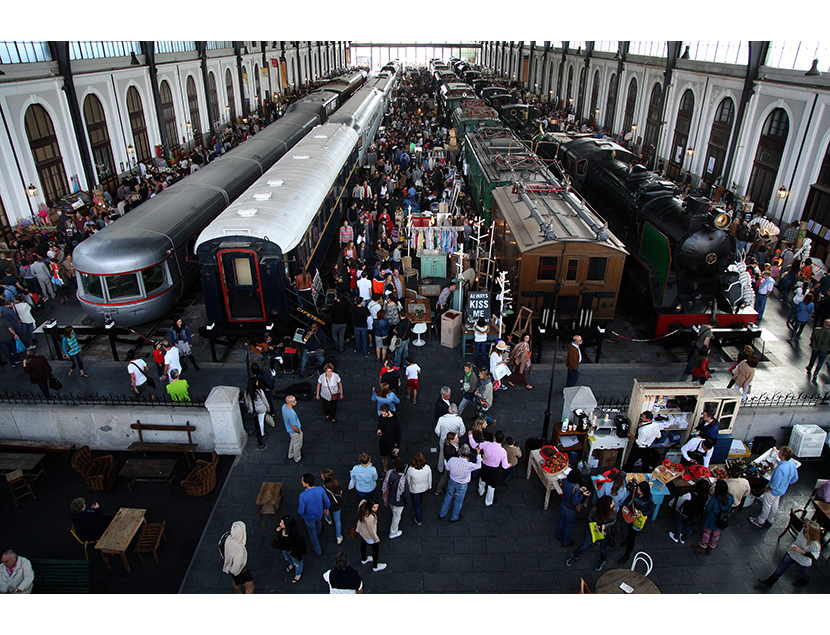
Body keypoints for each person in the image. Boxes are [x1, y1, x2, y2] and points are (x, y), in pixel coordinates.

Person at [759, 520, 822, 588]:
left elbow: (814, 556)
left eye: (806, 526)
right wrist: (793, 547)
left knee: (801, 570)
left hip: (803, 559)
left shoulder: (815, 544)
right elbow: (797, 541)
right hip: (793, 553)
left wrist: (801, 551)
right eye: (804, 524)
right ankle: (771, 581)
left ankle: (805, 579)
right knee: (783, 566)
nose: (803, 526)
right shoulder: (802, 531)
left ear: (811, 531)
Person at [565, 494, 617, 572]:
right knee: (585, 545)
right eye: (611, 503)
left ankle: (602, 561)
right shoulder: (595, 509)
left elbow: (613, 521)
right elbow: (590, 518)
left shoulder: (613, 511)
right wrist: (595, 525)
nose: (614, 504)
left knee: (603, 549)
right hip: (594, 529)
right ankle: (574, 556)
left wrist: (605, 526)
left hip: (604, 532)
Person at [750, 445, 799, 528]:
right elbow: (795, 478)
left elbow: (775, 483)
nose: (778, 453)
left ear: (783, 456)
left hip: (773, 490)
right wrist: (786, 482)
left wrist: (767, 489)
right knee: (775, 504)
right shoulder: (792, 464)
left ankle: (760, 521)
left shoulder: (780, 468)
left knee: (767, 505)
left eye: (780, 452)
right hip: (782, 489)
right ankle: (770, 519)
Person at [438, 444, 482, 522]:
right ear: (468, 453)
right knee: (458, 502)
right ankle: (454, 517)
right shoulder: (469, 465)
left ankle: (442, 513)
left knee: (448, 497)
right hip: (462, 484)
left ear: (460, 452)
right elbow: (478, 466)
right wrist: (478, 454)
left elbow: (447, 467)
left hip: (452, 481)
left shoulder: (452, 460)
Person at [469, 430, 511, 507]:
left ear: (495, 438)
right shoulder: (503, 452)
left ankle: (481, 492)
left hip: (484, 466)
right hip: (494, 470)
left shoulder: (486, 444)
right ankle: (488, 501)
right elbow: (505, 466)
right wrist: (510, 465)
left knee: (482, 480)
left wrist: (470, 436)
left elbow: (474, 445)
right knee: (491, 486)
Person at [692, 479, 734, 555]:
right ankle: (711, 547)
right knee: (716, 534)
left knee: (706, 533)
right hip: (723, 518)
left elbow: (708, 508)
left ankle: (703, 547)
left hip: (712, 519)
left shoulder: (715, 499)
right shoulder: (730, 497)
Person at [618, 480, 655, 564]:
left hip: (639, 518)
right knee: (629, 527)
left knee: (632, 536)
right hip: (631, 513)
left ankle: (627, 554)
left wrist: (642, 514)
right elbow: (629, 498)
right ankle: (627, 539)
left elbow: (651, 509)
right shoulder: (634, 490)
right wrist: (625, 505)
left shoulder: (649, 499)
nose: (638, 491)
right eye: (638, 489)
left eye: (640, 491)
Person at [669, 480, 711, 545]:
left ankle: (676, 536)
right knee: (690, 526)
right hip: (694, 514)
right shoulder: (705, 497)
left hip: (685, 512)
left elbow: (682, 498)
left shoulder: (690, 495)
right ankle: (683, 539)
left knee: (679, 522)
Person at [297, 473, 330, 556]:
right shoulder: (320, 489)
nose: (301, 482)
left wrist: (301, 514)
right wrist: (326, 509)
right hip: (319, 513)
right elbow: (327, 502)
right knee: (318, 522)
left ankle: (318, 549)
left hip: (309, 517)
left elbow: (301, 511)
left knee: (312, 532)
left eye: (302, 481)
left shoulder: (303, 496)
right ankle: (319, 531)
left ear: (306, 484)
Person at [556, 469, 591, 546]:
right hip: (570, 509)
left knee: (562, 520)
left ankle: (559, 535)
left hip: (563, 504)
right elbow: (575, 502)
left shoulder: (565, 481)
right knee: (569, 525)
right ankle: (565, 542)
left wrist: (579, 489)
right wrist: (582, 495)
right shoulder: (574, 489)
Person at [355, 498, 387, 572]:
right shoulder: (370, 518)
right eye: (374, 507)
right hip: (368, 536)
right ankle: (375, 566)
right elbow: (371, 530)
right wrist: (376, 539)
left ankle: (364, 559)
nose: (376, 509)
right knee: (375, 549)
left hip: (361, 531)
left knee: (363, 544)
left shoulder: (362, 505)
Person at [222, 521, 253, 594]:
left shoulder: (229, 539)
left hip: (230, 565)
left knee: (236, 583)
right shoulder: (239, 550)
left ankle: (238, 593)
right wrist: (236, 574)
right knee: (250, 587)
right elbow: (236, 569)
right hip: (241, 571)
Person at [381, 458, 408, 539]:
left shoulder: (389, 473)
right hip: (398, 501)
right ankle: (393, 532)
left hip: (389, 497)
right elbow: (406, 493)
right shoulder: (403, 480)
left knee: (393, 510)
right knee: (396, 517)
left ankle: (394, 513)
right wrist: (408, 503)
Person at [434, 404, 466, 473]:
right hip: (454, 439)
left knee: (442, 452)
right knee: (455, 453)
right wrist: (458, 435)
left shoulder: (441, 419)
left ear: (448, 410)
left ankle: (440, 468)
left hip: (444, 439)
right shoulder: (459, 420)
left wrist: (441, 435)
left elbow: (437, 431)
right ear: (456, 411)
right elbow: (463, 431)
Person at [275, 515, 306, 584]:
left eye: (282, 523)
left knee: (297, 563)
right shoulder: (282, 530)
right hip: (284, 549)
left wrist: (295, 554)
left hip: (292, 551)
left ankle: (298, 573)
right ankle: (291, 564)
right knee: (287, 558)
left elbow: (299, 546)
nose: (280, 524)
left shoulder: (294, 535)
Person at [406, 452, 432, 526]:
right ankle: (419, 503)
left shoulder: (411, 470)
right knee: (420, 498)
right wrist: (429, 486)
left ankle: (419, 520)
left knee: (416, 504)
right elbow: (429, 478)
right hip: (423, 487)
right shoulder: (427, 468)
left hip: (414, 489)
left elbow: (408, 480)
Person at [244, 377, 270, 449]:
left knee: (257, 420)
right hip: (261, 408)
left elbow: (246, 401)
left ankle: (258, 431)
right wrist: (268, 406)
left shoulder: (247, 391)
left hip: (253, 408)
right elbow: (264, 400)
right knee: (261, 420)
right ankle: (261, 433)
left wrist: (248, 407)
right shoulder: (259, 391)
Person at [321, 469, 344, 545]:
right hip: (337, 504)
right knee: (337, 520)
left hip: (328, 504)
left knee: (327, 511)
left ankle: (329, 519)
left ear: (324, 478)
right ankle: (338, 536)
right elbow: (341, 492)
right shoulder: (337, 483)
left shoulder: (323, 487)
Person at [282, 395, 303, 463]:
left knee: (293, 442)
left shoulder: (284, 407)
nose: (296, 402)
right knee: (297, 445)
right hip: (294, 431)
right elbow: (294, 426)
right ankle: (297, 457)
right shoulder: (291, 414)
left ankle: (290, 454)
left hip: (289, 430)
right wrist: (299, 432)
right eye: (294, 401)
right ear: (289, 403)